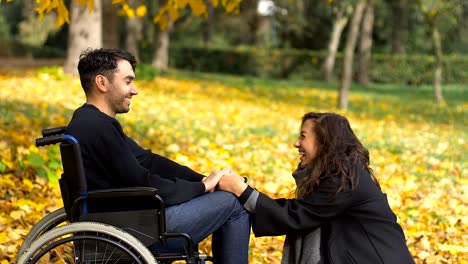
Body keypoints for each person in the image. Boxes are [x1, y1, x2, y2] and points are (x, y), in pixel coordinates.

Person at [65, 48, 250, 264]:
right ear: (102, 83)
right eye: (128, 81)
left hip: (122, 220)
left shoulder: (90, 121)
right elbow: (143, 182)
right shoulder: (98, 127)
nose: (135, 90)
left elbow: (148, 161)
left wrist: (204, 179)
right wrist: (202, 188)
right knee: (233, 204)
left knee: (223, 195)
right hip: (133, 231)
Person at [218, 112, 415, 264]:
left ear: (325, 143)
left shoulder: (345, 179)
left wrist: (243, 192)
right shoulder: (338, 173)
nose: (296, 143)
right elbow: (302, 211)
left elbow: (295, 216)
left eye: (303, 136)